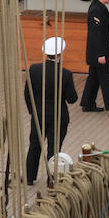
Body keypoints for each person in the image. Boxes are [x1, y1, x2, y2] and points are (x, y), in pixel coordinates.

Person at [25, 36, 78, 185]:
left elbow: (27, 93)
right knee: (54, 149)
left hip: (39, 115)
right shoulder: (65, 74)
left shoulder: (34, 69)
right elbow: (72, 99)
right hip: (58, 117)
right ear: (60, 54)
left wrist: (33, 111)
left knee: (35, 144)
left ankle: (30, 177)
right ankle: (52, 178)